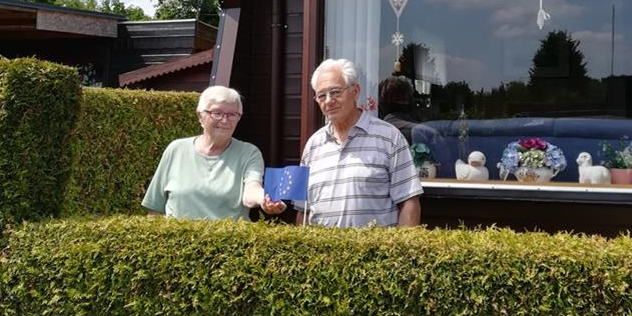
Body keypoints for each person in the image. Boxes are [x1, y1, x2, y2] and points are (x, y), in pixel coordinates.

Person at [295, 58, 423, 227]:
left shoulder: (389, 137)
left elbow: (409, 202)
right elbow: (303, 211)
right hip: (321, 253)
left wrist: (400, 250)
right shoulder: (313, 145)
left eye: (335, 92)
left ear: (355, 91)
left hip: (376, 252)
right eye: (321, 95)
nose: (328, 101)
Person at [142, 85, 286, 220]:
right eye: (217, 113)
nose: (225, 120)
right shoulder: (176, 149)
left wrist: (264, 199)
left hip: (229, 244)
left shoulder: (249, 153)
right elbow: (155, 208)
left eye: (232, 114)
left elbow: (251, 190)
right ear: (200, 116)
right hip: (178, 244)